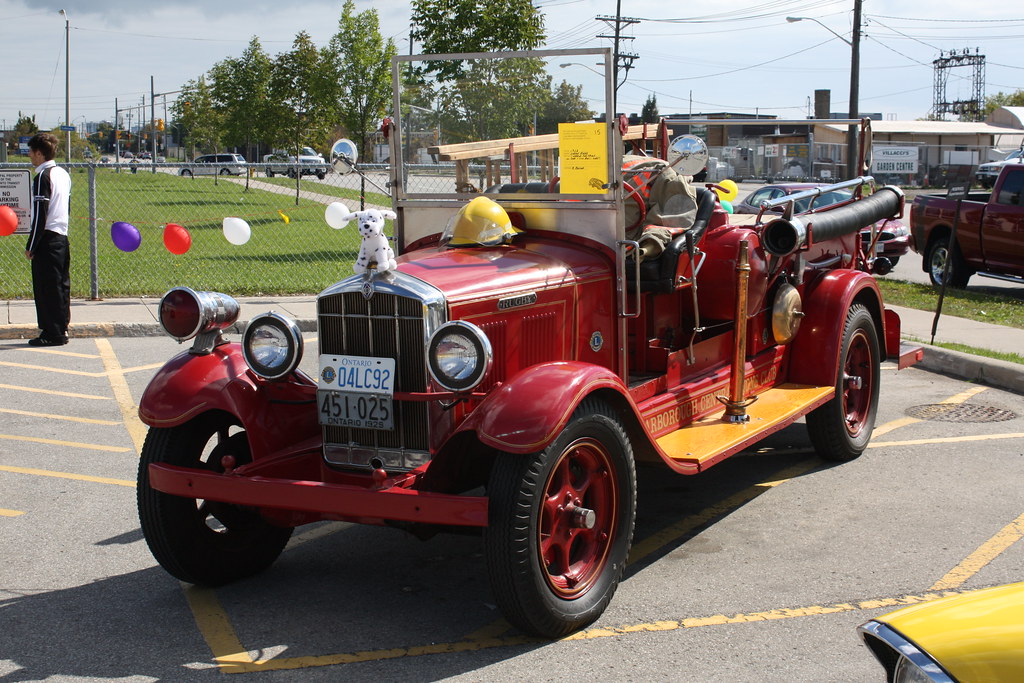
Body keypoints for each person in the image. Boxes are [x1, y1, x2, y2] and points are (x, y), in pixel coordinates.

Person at [24, 132, 71, 346]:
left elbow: (41, 213)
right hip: (62, 236)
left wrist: (31, 245)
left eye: (31, 152)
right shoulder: (63, 173)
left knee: (46, 288)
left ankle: (52, 333)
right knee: (61, 285)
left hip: (47, 238)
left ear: (40, 153)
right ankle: (62, 327)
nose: (30, 157)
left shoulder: (42, 177)